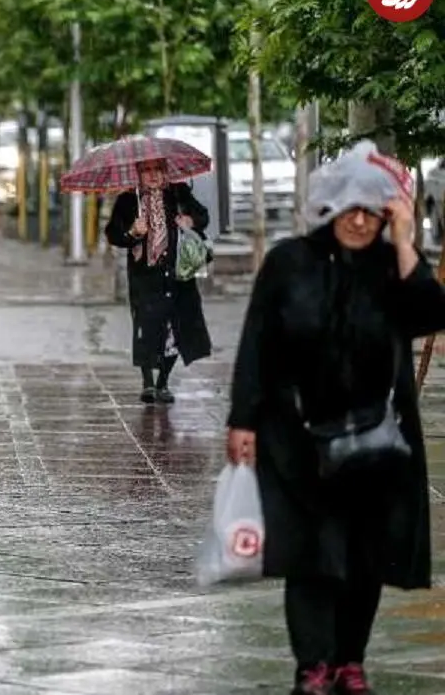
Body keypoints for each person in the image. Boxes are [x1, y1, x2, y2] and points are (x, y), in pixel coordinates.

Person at [225, 141, 445, 695]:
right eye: (349, 208)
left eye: (372, 210)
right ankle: (313, 665)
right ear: (329, 209)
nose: (358, 220)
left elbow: (431, 314)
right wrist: (242, 420)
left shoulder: (390, 267)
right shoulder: (289, 262)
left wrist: (405, 241)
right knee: (311, 557)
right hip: (297, 437)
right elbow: (256, 343)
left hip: (377, 439)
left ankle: (350, 660)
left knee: (365, 557)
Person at [105, 162, 212, 403]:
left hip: (178, 273)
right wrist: (132, 232)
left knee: (176, 329)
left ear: (165, 171)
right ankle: (148, 383)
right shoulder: (128, 199)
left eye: (157, 169)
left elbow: (203, 215)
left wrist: (190, 220)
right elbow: (113, 233)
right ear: (139, 174)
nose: (152, 175)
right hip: (145, 275)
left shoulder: (178, 192)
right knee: (147, 328)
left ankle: (163, 382)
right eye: (146, 170)